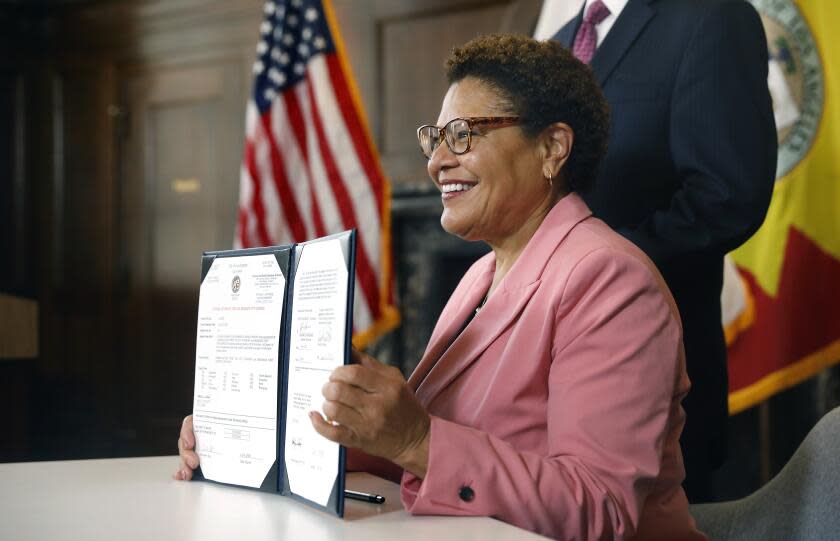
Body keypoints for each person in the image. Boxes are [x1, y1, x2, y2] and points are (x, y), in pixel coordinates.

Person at [177, 34, 707, 540]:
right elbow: (430, 449)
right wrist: (263, 434)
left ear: (552, 148)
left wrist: (417, 439)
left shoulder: (611, 281)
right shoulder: (481, 274)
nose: (436, 162)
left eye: (463, 135)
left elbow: (600, 509)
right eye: (435, 139)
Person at [526, 0, 778, 502]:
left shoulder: (713, 17)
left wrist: (593, 267)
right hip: (544, 390)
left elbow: (726, 196)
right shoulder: (556, 48)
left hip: (654, 381)